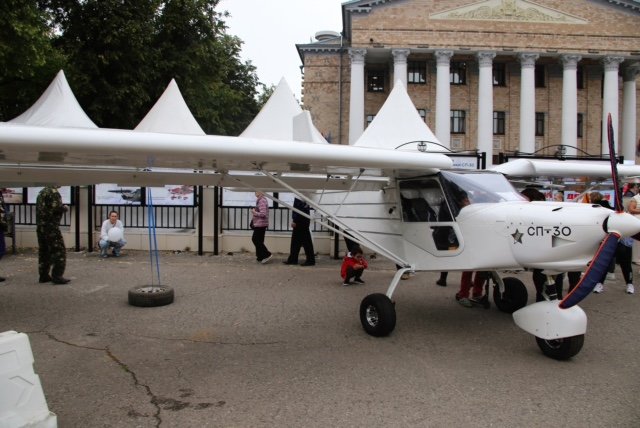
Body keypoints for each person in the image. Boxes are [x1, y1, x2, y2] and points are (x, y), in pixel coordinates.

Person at [36, 186, 70, 284]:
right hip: (51, 226)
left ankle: (43, 275)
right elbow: (56, 208)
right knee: (59, 251)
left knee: (44, 251)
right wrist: (65, 208)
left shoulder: (42, 192)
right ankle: (57, 276)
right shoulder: (54, 192)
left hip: (41, 226)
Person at [283, 198, 315, 266]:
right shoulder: (303, 197)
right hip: (303, 221)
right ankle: (294, 259)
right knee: (299, 242)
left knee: (302, 242)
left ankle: (308, 260)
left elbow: (298, 209)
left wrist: (295, 220)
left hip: (301, 221)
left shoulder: (299, 198)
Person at [251, 191, 272, 264]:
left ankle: (267, 254)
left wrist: (254, 212)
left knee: (255, 239)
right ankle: (260, 256)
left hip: (260, 224)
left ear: (261, 192)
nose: (255, 192)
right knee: (259, 240)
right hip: (262, 224)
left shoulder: (261, 200)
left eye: (257, 191)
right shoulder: (262, 200)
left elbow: (263, 214)